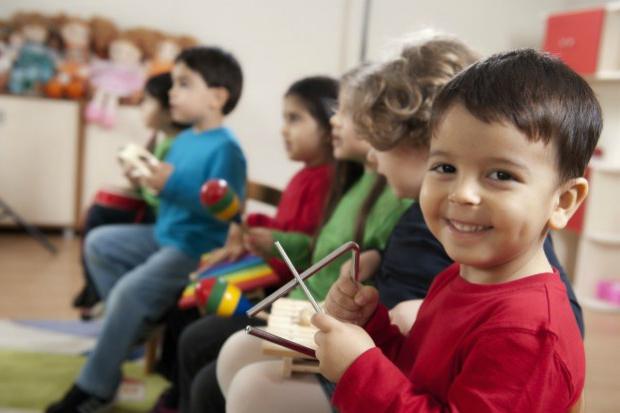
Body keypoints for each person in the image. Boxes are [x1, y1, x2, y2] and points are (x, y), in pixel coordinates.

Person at [315, 48, 600, 413]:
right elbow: (418, 378)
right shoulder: (457, 278)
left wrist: (360, 370)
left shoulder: (528, 335)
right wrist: (371, 331)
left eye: (500, 175)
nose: (462, 194)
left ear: (562, 202)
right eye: (445, 167)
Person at [175, 67, 410, 413]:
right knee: (197, 341)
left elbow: (372, 284)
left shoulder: (392, 195)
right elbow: (319, 250)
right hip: (296, 305)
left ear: (387, 120)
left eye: (345, 112)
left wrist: (371, 259)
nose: (335, 121)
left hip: (311, 315)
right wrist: (271, 239)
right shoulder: (357, 181)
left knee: (207, 368)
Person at [46, 46, 246, 413]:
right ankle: (137, 327)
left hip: (194, 248)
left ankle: (96, 387)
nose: (172, 92)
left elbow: (225, 213)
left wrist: (170, 185)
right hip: (163, 236)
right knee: (99, 243)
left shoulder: (227, 149)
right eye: (173, 83)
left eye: (184, 84)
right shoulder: (184, 140)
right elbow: (165, 194)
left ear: (217, 97)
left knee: (126, 294)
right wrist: (144, 179)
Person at [150, 75, 339, 413]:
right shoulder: (302, 175)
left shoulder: (325, 181)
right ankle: (178, 392)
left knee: (196, 334)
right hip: (269, 277)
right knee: (185, 302)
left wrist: (271, 240)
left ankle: (183, 397)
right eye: (284, 119)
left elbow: (311, 247)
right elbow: (286, 226)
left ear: (329, 126)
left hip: (278, 288)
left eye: (294, 119)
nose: (283, 129)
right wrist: (253, 226)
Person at [73, 72, 186, 318]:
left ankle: (108, 299)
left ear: (168, 109)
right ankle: (101, 294)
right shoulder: (162, 139)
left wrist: (142, 181)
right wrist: (137, 178)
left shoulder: (175, 144)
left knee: (99, 215)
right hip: (157, 215)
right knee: (98, 211)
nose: (141, 108)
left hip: (161, 222)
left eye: (147, 101)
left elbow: (162, 196)